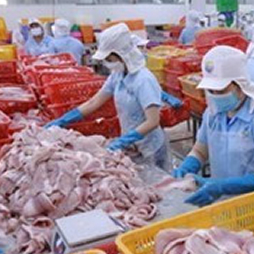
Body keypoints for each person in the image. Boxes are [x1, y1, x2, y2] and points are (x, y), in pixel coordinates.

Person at [171, 46, 254, 206]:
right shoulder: (212, 113)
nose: (215, 96)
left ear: (240, 85)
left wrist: (223, 186)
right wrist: (188, 166)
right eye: (211, 90)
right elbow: (200, 150)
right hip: (220, 203)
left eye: (221, 90)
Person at [46, 24, 169, 169]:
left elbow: (153, 121)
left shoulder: (143, 80)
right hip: (132, 144)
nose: (107, 63)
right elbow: (94, 102)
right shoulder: (117, 75)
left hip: (151, 147)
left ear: (121, 55)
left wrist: (124, 140)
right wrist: (64, 120)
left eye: (109, 59)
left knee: (156, 179)